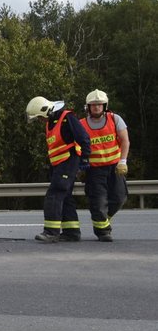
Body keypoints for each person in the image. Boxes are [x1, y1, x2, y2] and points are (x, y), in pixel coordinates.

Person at [25, 96, 92, 243]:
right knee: (65, 196)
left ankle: (51, 232)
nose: (40, 121)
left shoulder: (67, 118)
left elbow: (84, 138)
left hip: (69, 162)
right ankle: (72, 232)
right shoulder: (51, 123)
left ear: (46, 111)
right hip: (60, 166)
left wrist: (85, 160)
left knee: (54, 194)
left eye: (40, 117)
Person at [80, 89, 130, 242]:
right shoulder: (81, 124)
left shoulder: (115, 119)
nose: (96, 107)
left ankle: (103, 219)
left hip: (115, 167)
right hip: (94, 170)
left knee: (120, 198)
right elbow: (77, 147)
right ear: (88, 107)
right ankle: (102, 231)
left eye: (99, 105)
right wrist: (80, 166)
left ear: (104, 105)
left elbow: (125, 141)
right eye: (93, 105)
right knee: (98, 201)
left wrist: (123, 161)